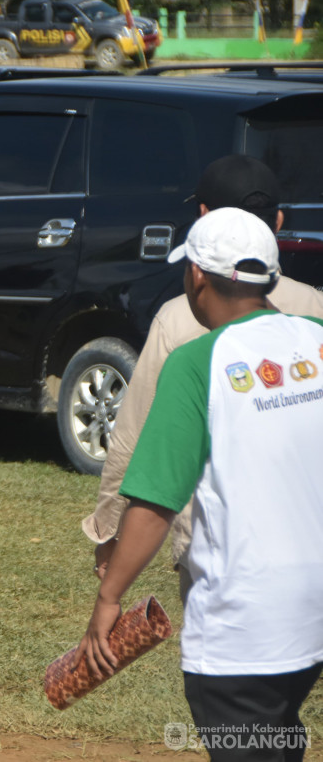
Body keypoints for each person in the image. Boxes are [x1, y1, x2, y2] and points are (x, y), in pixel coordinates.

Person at [78, 207, 323, 762]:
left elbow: (157, 501)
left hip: (245, 625)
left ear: (196, 275)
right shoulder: (315, 337)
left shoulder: (197, 363)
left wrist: (109, 596)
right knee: (281, 734)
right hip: (314, 616)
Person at [82, 155, 323, 599]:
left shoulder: (179, 321)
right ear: (279, 223)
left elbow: (134, 438)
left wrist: (108, 529)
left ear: (204, 220)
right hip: (305, 542)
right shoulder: (313, 310)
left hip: (214, 551)